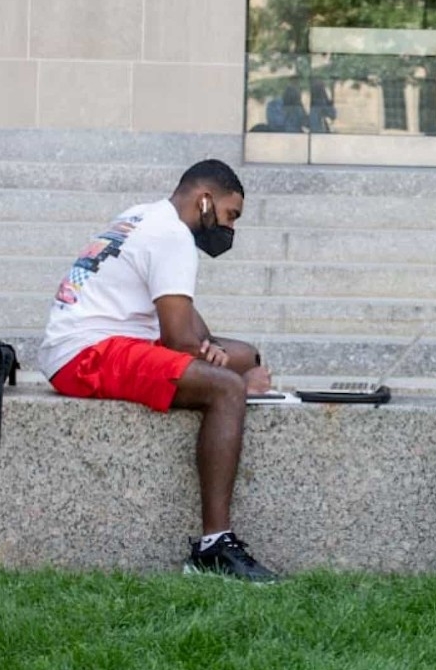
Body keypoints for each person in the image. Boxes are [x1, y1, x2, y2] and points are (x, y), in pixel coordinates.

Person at [37, 159, 278, 583]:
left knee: (245, 355)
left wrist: (231, 357)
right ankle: (214, 546)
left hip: (100, 342)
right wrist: (228, 375)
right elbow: (179, 341)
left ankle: (238, 380)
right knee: (225, 388)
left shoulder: (143, 214)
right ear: (205, 201)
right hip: (86, 354)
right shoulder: (171, 236)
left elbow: (189, 323)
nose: (230, 230)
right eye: (229, 216)